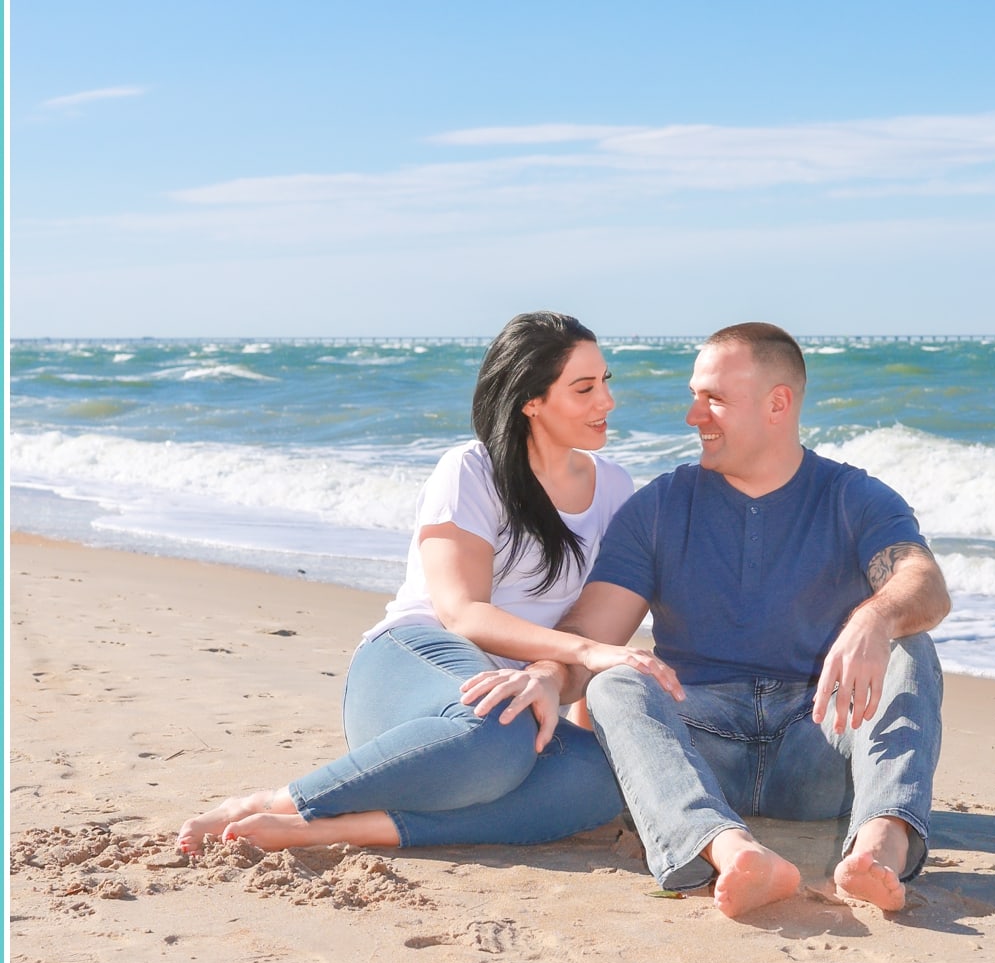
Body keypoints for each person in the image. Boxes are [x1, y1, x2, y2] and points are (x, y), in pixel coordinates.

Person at [463, 322, 950, 920]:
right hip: (700, 748)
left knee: (910, 646)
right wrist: (544, 673)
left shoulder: (852, 496)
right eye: (696, 396)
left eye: (714, 399)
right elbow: (595, 633)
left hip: (820, 744)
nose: (695, 416)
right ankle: (726, 848)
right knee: (616, 679)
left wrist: (874, 619)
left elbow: (923, 583)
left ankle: (879, 848)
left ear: (778, 404)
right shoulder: (661, 507)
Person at [177, 312, 681, 857]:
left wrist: (559, 679)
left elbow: (591, 615)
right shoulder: (470, 471)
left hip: (512, 702)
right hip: (415, 665)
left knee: (604, 779)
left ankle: (337, 828)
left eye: (606, 381)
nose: (606, 402)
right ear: (530, 401)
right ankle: (277, 804)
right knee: (498, 737)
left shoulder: (614, 487)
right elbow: (463, 613)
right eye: (583, 389)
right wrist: (587, 651)